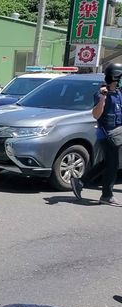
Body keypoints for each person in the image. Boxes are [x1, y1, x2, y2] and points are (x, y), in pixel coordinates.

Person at [71, 63, 122, 207]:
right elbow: (96, 115)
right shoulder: (101, 93)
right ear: (116, 77)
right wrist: (103, 99)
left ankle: (80, 182)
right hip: (107, 135)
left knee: (107, 163)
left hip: (118, 133)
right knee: (112, 165)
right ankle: (107, 195)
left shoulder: (119, 93)